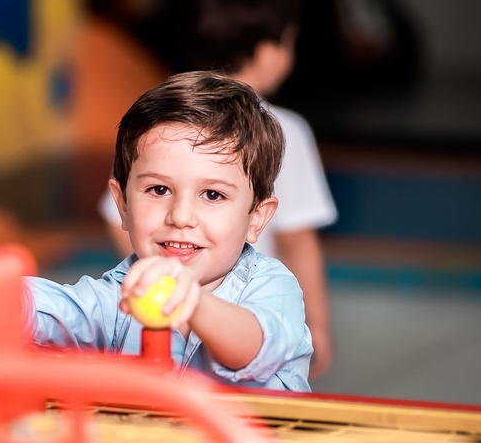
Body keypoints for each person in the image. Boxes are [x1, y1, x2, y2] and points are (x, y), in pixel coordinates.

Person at [99, 0, 338, 378]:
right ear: (269, 52)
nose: (181, 215)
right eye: (289, 41)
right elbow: (300, 239)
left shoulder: (162, 126)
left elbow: (114, 212)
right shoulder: (286, 129)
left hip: (241, 313)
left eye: (212, 194)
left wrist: (153, 280)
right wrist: (316, 323)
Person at [26, 70, 313, 392]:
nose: (180, 216)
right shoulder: (120, 296)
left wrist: (194, 303)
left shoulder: (271, 286)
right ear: (122, 205)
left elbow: (255, 346)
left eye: (213, 195)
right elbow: (50, 309)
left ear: (256, 219)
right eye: (159, 190)